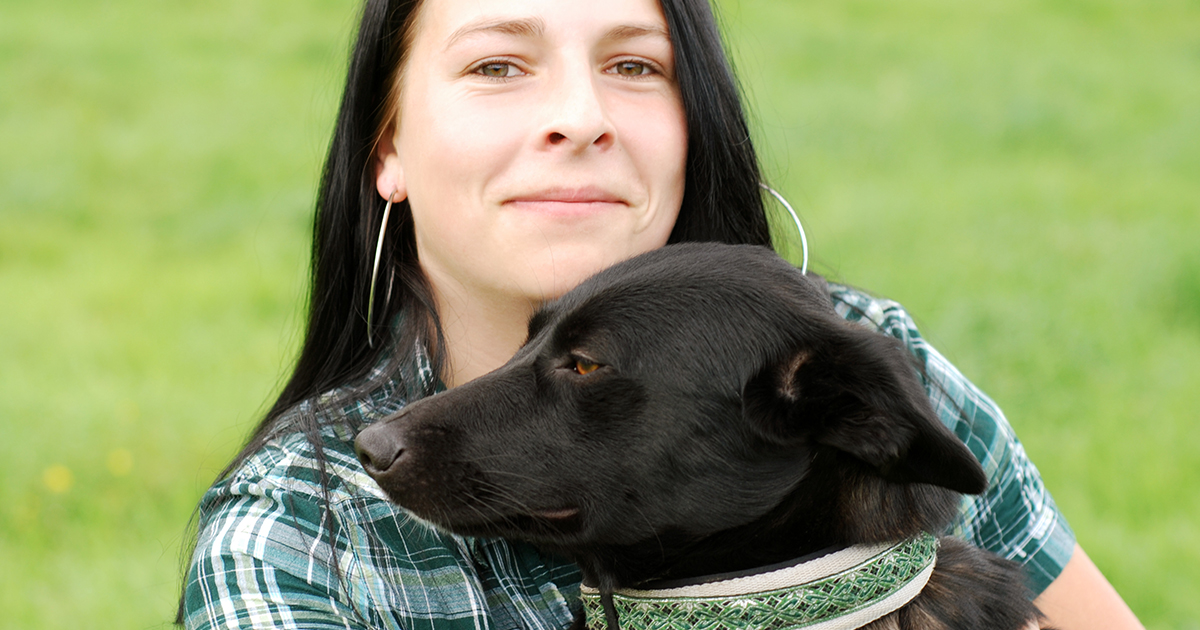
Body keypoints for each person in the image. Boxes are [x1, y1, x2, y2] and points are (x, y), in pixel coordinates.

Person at [177, 0, 1144, 628]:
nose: (579, 116)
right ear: (386, 144)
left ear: (697, 121)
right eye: (498, 66)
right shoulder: (298, 545)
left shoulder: (859, 360)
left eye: (636, 66)